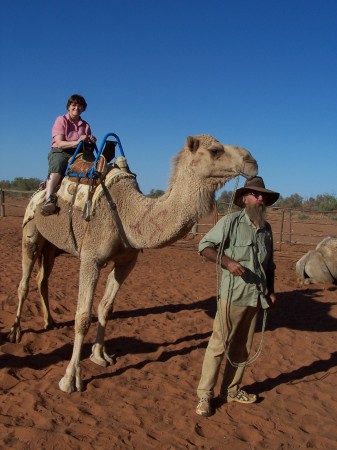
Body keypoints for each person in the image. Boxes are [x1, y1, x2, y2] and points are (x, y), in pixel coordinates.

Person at [195, 176, 280, 417]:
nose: (260, 197)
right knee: (218, 344)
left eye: (262, 194)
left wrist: (271, 291)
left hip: (255, 297)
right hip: (232, 295)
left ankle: (231, 391)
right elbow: (204, 246)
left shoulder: (266, 228)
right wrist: (228, 262)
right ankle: (204, 395)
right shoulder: (230, 222)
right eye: (255, 194)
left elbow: (270, 264)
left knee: (242, 348)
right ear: (245, 198)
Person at [41, 94, 96, 215]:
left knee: (93, 168)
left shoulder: (85, 125)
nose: (77, 107)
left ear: (83, 108)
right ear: (69, 106)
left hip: (78, 153)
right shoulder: (61, 120)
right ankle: (49, 198)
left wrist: (90, 141)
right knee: (57, 169)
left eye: (80, 105)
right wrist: (77, 142)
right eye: (74, 104)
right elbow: (60, 143)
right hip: (61, 151)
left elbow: (86, 145)